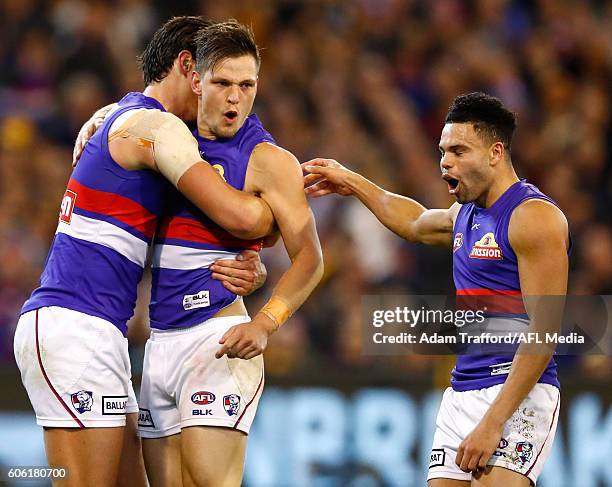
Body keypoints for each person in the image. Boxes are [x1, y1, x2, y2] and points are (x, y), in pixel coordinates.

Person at [13, 16, 274, 487]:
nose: (221, 95)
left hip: (98, 330)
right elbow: (241, 217)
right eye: (213, 77)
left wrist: (245, 267)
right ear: (187, 67)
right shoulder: (157, 129)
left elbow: (183, 232)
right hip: (76, 327)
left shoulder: (126, 118)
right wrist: (280, 204)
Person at [303, 92, 569, 487]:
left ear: (496, 152)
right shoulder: (465, 213)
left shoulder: (534, 218)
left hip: (518, 398)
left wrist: (493, 421)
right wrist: (352, 181)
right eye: (443, 151)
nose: (446, 161)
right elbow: (413, 221)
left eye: (460, 151)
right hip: (463, 390)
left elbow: (543, 333)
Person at [138, 21, 323, 487]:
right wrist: (96, 122)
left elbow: (311, 258)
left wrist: (265, 322)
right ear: (196, 81)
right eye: (222, 83)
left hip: (217, 338)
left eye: (247, 85)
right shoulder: (163, 135)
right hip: (158, 343)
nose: (235, 97)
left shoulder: (268, 160)